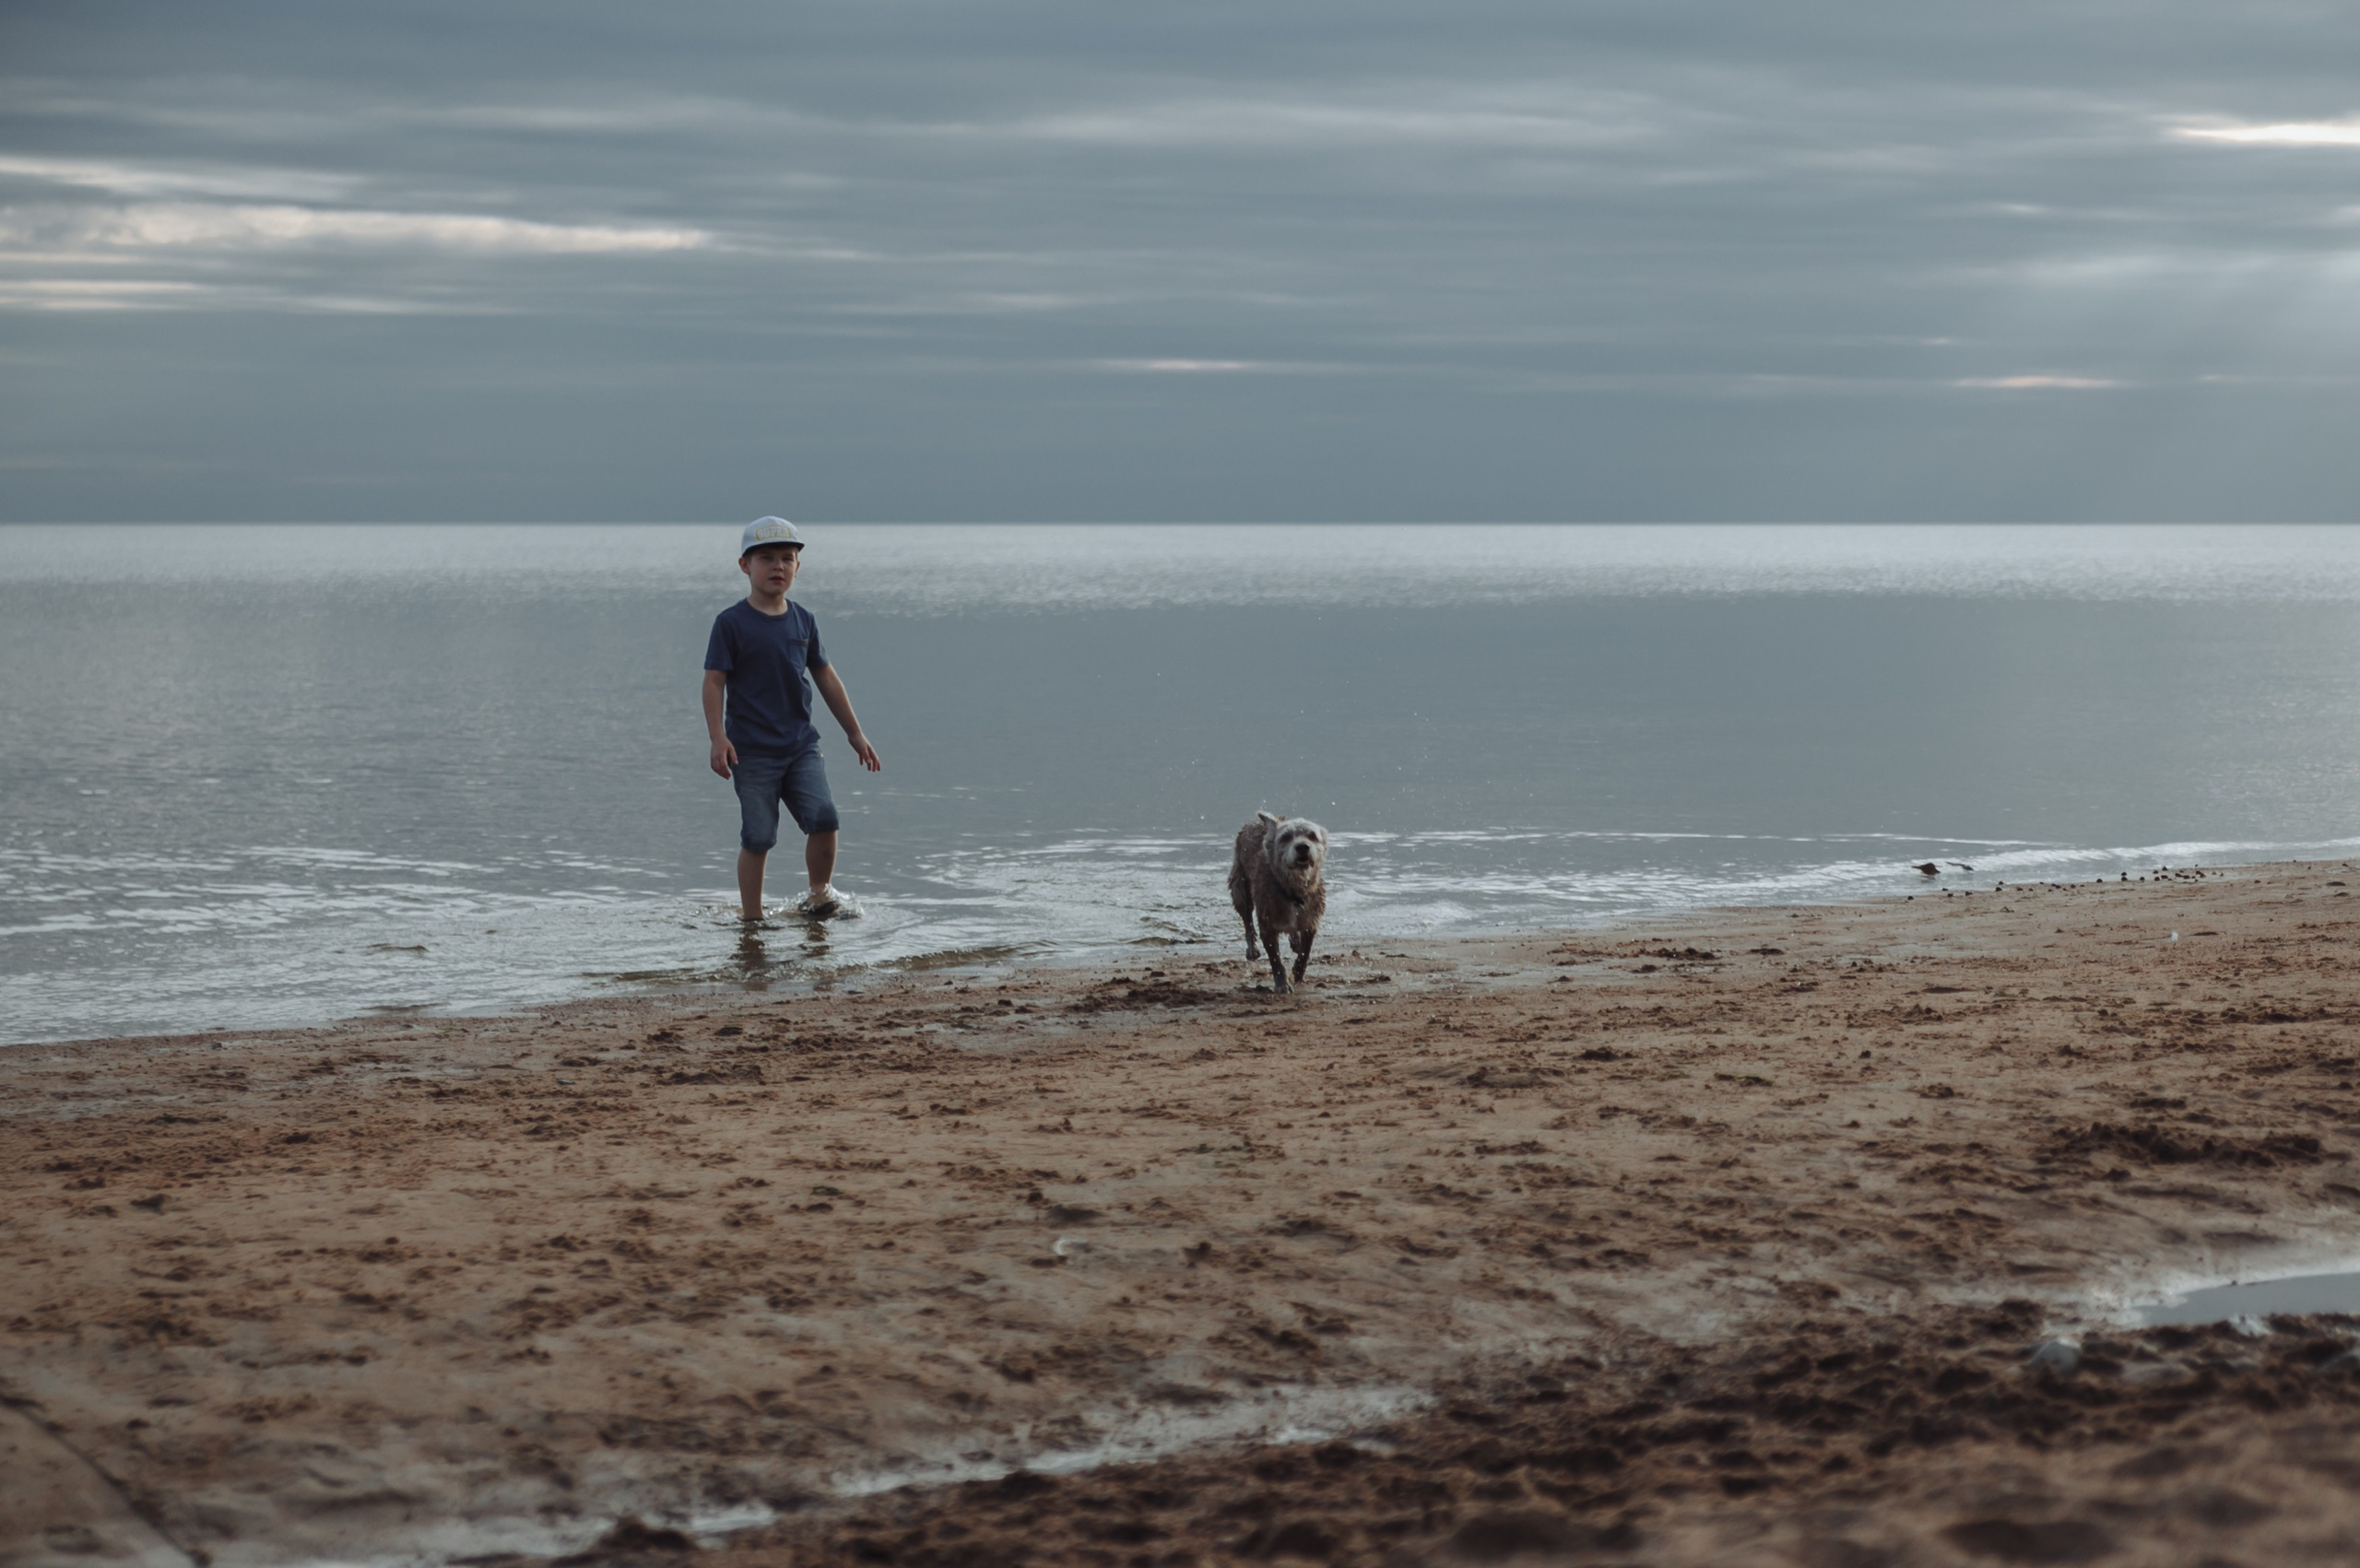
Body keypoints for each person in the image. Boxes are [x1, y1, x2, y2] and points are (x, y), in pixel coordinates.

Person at [702, 517, 881, 922]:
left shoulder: (803, 620)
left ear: (798, 567)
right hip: (750, 751)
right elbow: (714, 682)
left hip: (801, 746)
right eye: (766, 558)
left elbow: (826, 678)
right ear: (745, 565)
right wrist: (717, 737)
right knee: (759, 835)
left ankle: (819, 896)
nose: (778, 566)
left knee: (824, 817)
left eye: (787, 558)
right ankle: (752, 920)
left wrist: (855, 733)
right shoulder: (731, 623)